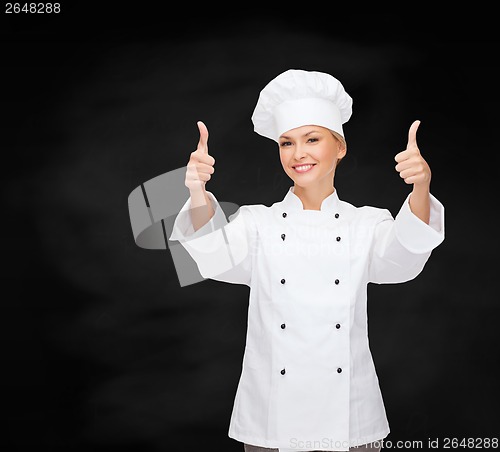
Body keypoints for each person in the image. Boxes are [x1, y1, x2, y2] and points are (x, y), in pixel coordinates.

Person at [165, 69, 445, 452]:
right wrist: (198, 192)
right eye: (286, 143)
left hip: (351, 419)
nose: (298, 154)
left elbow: (406, 257)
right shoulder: (256, 222)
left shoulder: (366, 223)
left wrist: (421, 186)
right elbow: (212, 256)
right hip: (272, 420)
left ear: (340, 146)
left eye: (312, 139)